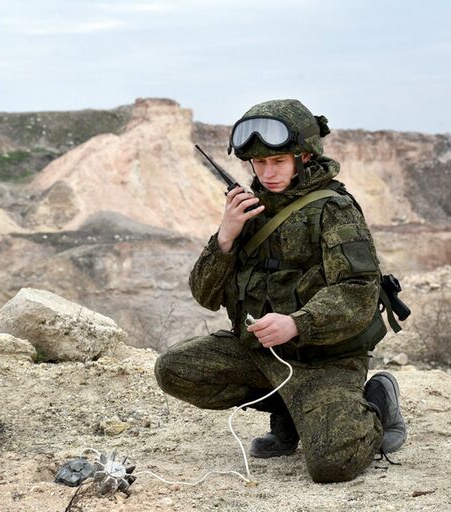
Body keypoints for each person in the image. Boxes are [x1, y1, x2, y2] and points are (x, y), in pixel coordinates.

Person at [154, 99, 407, 483]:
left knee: (331, 465)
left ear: (303, 157)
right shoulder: (247, 211)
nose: (267, 173)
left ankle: (376, 402)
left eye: (278, 162)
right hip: (264, 354)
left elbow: (357, 292)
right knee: (175, 369)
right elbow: (205, 296)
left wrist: (297, 323)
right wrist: (225, 237)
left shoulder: (333, 210)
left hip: (326, 359)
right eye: (259, 164)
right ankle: (289, 410)